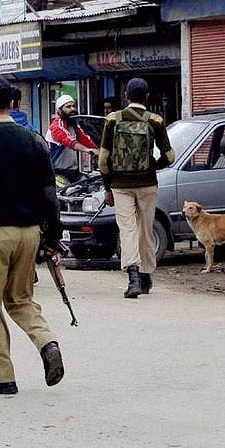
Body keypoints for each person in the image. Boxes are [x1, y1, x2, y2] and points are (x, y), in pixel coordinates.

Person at [0, 77, 65, 396]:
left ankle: (1, 375)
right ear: (13, 104)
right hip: (30, 233)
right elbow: (50, 193)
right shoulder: (35, 141)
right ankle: (47, 343)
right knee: (20, 299)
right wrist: (53, 235)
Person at [98, 78, 174, 299]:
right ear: (147, 96)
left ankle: (133, 279)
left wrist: (108, 186)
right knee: (146, 229)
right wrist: (153, 167)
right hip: (148, 184)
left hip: (120, 186)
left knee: (128, 230)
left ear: (126, 96)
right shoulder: (155, 120)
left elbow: (103, 160)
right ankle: (146, 276)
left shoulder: (113, 119)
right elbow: (170, 156)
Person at [46, 94, 97, 183]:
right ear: (59, 110)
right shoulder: (57, 126)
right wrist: (87, 150)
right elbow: (69, 141)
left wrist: (98, 150)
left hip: (73, 171)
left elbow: (86, 140)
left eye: (73, 106)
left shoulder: (74, 125)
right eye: (68, 107)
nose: (73, 109)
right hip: (57, 173)